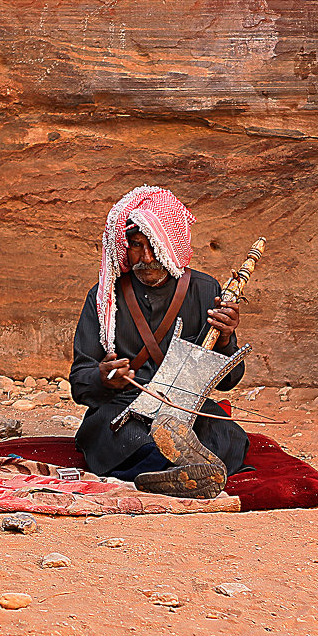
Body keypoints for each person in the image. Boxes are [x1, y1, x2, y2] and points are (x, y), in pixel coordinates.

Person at [70, 186, 249, 498]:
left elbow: (228, 382)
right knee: (120, 437)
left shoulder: (206, 291)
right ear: (126, 247)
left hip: (184, 411)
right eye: (138, 246)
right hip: (125, 409)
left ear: (172, 244)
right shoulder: (104, 296)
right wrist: (104, 378)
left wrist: (225, 338)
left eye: (155, 246)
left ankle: (177, 471)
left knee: (226, 434)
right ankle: (186, 471)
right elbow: (80, 384)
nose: (147, 258)